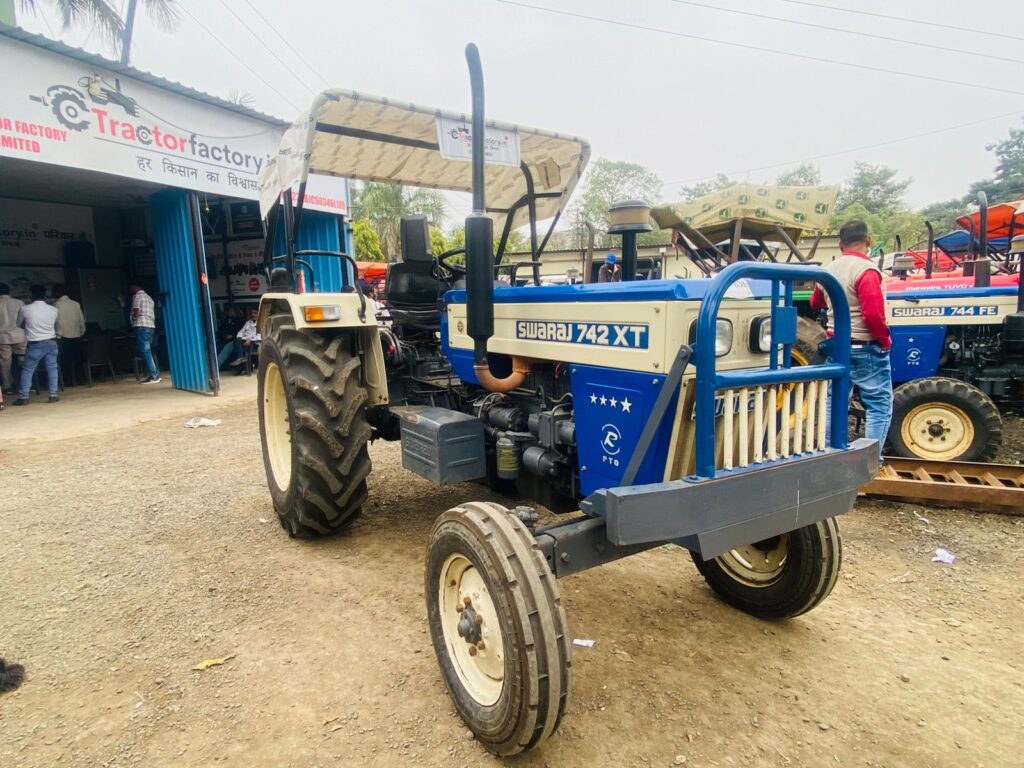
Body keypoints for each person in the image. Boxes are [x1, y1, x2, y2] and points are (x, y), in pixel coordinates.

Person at [810, 220, 893, 446]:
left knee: (834, 400)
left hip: (835, 345)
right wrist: (885, 341)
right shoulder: (866, 270)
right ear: (868, 240)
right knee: (879, 403)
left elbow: (815, 302)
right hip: (865, 346)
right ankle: (872, 459)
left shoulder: (827, 271)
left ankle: (830, 451)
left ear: (840, 245)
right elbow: (873, 315)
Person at [13, 284, 60, 405]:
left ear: (30, 295)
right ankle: (53, 395)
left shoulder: (25, 309)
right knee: (52, 369)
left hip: (35, 344)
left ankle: (24, 397)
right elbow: (55, 325)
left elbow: (18, 324)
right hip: (52, 342)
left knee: (28, 370)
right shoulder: (54, 309)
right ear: (45, 295)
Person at [53, 284, 86, 385]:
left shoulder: (56, 305)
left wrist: (58, 335)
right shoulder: (75, 304)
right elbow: (81, 320)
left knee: (64, 361)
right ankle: (81, 380)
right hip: (76, 336)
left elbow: (57, 322)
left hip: (63, 337)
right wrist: (81, 332)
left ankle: (68, 382)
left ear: (57, 293)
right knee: (77, 360)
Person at [130, 282, 161, 384]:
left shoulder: (137, 296)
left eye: (131, 287)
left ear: (135, 286)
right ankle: (155, 374)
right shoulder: (149, 298)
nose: (131, 290)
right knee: (149, 351)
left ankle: (154, 376)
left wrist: (134, 319)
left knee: (145, 351)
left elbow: (136, 312)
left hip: (142, 326)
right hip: (150, 326)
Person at [0, 282, 26, 395]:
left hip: (3, 337)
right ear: (8, 291)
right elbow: (25, 319)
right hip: (19, 335)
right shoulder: (19, 303)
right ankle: (26, 385)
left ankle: (7, 386)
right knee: (23, 360)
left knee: (5, 363)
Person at [228, 307, 261, 371]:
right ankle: (241, 358)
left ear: (258, 314)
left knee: (238, 349)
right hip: (245, 341)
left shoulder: (261, 323)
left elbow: (260, 336)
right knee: (236, 340)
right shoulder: (248, 322)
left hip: (254, 343)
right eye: (252, 313)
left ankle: (240, 360)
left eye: (255, 313)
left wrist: (250, 340)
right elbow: (240, 332)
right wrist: (240, 337)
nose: (253, 315)